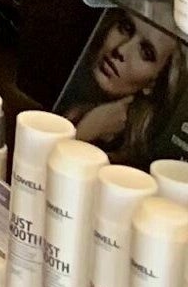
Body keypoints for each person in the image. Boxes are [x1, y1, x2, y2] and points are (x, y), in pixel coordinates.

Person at [68, 9, 185, 168]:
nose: (121, 50)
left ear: (154, 83)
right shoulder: (70, 100)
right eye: (126, 28)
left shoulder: (127, 161)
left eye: (145, 52)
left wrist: (88, 130)